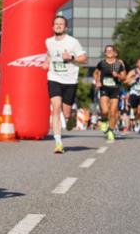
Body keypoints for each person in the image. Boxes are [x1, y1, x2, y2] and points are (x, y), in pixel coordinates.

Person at [42, 15, 87, 153]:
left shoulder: (73, 42)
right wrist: (46, 61)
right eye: (56, 24)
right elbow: (49, 54)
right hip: (54, 78)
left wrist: (71, 57)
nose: (58, 26)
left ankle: (71, 115)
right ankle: (58, 142)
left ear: (66, 27)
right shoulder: (48, 41)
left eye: (61, 24)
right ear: (52, 27)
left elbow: (84, 59)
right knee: (55, 107)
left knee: (66, 113)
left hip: (70, 80)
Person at [93, 45, 126, 142]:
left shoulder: (119, 64)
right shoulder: (102, 63)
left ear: (114, 52)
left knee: (113, 111)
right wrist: (97, 81)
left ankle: (111, 131)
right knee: (105, 111)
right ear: (105, 53)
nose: (109, 52)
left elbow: (124, 77)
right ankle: (103, 120)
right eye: (107, 51)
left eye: (111, 50)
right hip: (104, 88)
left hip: (115, 88)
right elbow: (95, 73)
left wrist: (118, 75)